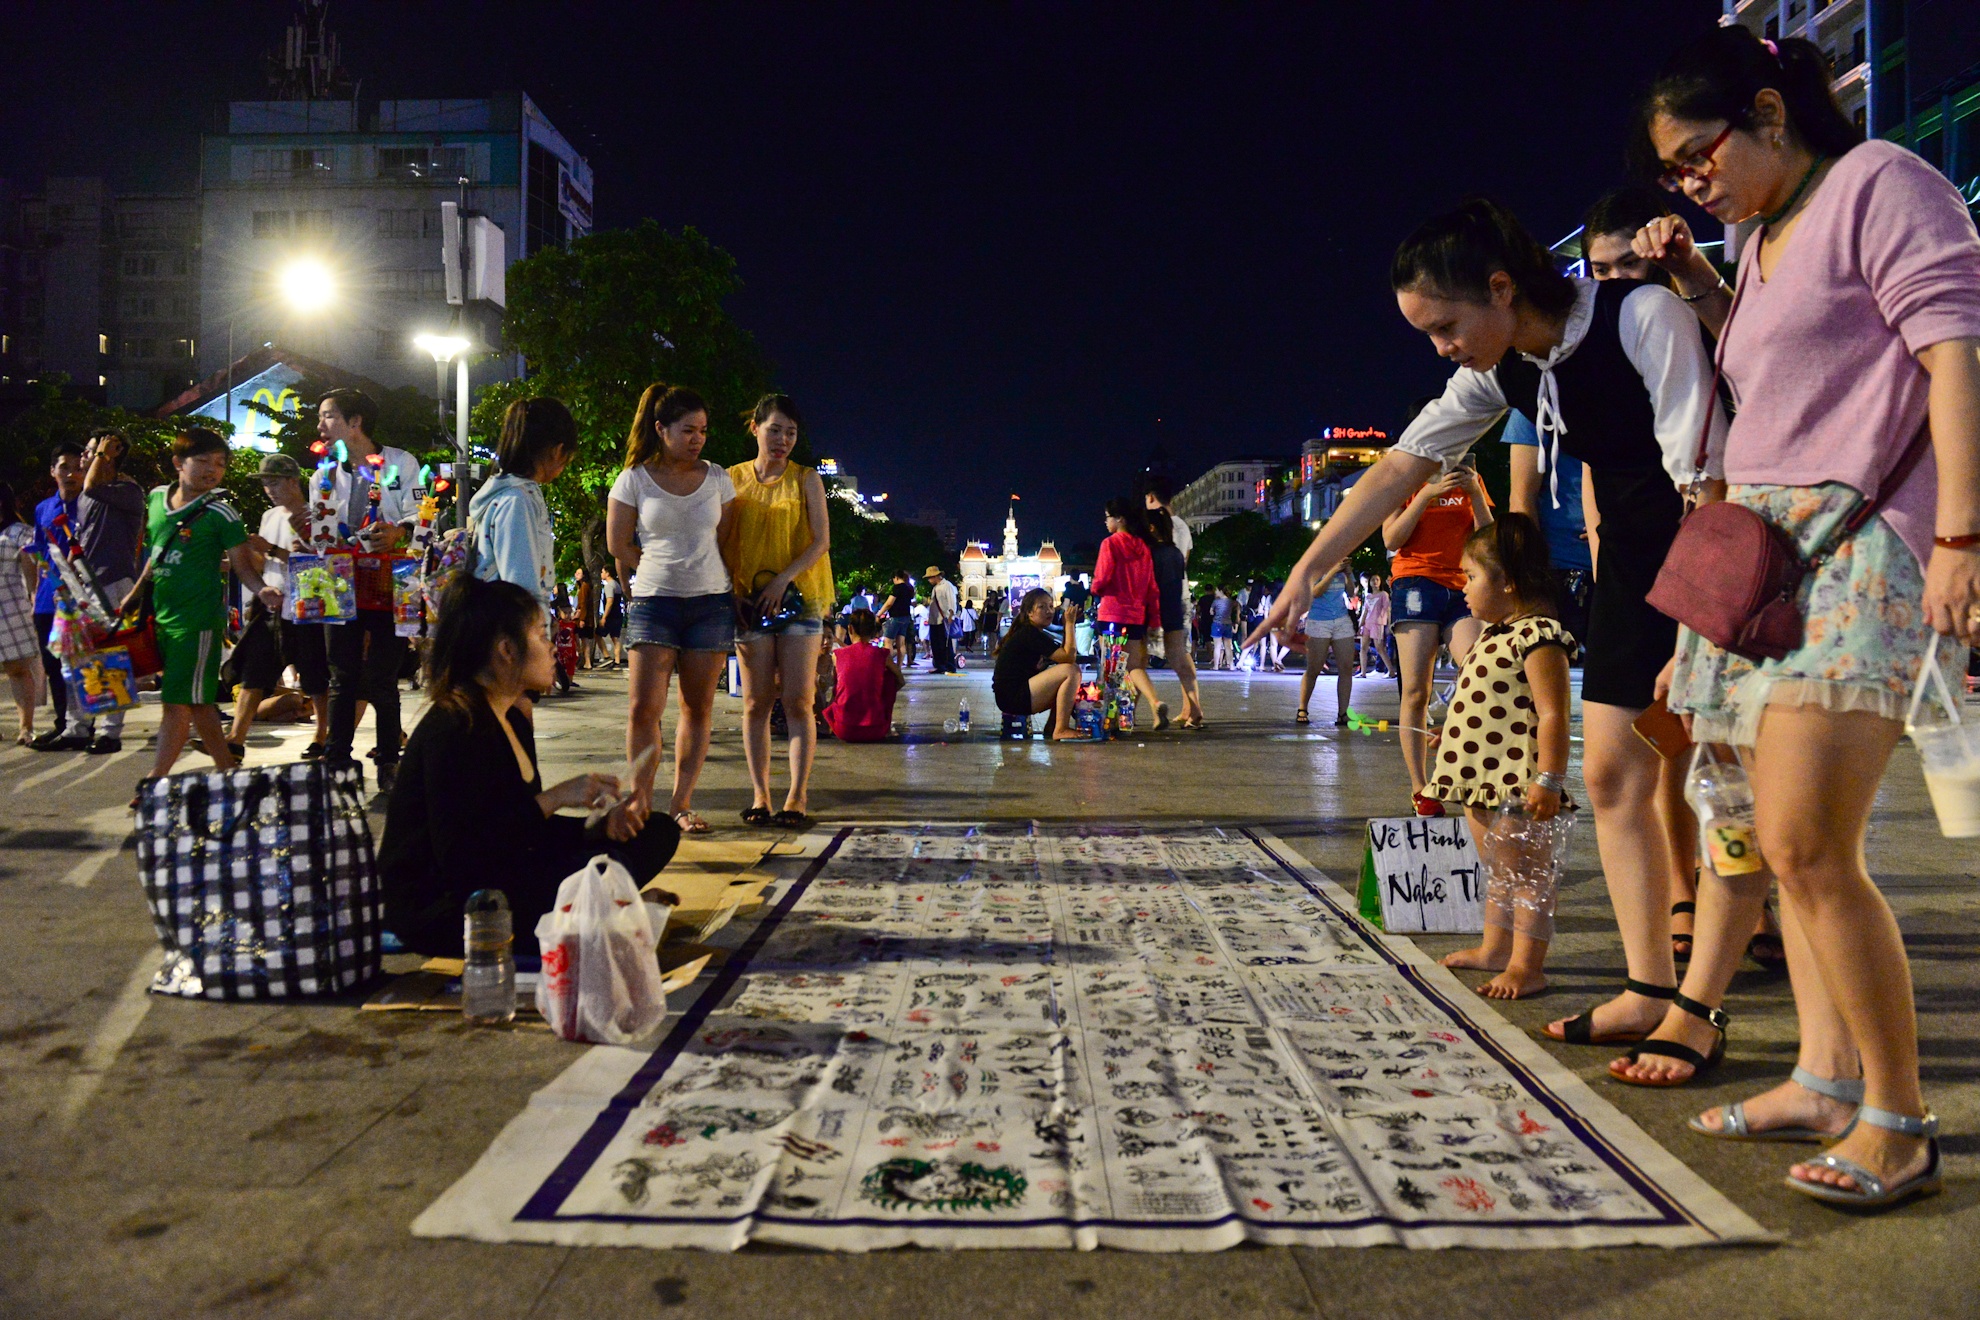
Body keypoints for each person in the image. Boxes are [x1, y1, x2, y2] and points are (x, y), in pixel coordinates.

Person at [1630, 24, 1980, 1208]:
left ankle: (1898, 1117)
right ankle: (1826, 1078)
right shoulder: (1763, 235)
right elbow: (1792, 369)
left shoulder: (1884, 181)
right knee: (1790, 843)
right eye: (1676, 170)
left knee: (1803, 842)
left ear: (1773, 113)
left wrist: (1963, 538)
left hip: (1861, 547)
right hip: (1767, 552)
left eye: (1699, 153)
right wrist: (1699, 281)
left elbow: (1950, 354)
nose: (1693, 179)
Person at [1250, 196, 1727, 1063]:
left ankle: (1704, 1007)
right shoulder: (1501, 372)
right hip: (1627, 565)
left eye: (1445, 327)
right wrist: (1307, 570)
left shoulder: (1641, 315)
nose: (1441, 348)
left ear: (1502, 288)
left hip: (1713, 556)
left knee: (1735, 790)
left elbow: (1707, 476)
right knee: (1616, 776)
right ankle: (1647, 987)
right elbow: (1398, 468)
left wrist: (1699, 626)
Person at [378, 575, 681, 957]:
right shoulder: (455, 726)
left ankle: (601, 910)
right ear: (506, 649)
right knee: (602, 872)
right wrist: (554, 797)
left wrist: (598, 827)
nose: (553, 648)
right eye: (541, 635)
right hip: (447, 906)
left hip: (500, 874)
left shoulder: (512, 717)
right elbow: (463, 857)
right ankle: (605, 912)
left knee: (654, 832)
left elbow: (523, 834)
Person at [1433, 515, 1576, 1000]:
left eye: (1471, 576)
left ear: (1508, 582)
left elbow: (1553, 713)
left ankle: (1526, 965)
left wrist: (1551, 779)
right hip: (1478, 778)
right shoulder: (1493, 633)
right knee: (1498, 871)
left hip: (1517, 783)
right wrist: (1453, 736)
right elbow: (1490, 705)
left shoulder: (1538, 635)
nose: (1463, 586)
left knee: (1526, 874)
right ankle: (1496, 949)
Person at [608, 384, 737, 836]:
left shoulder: (719, 478)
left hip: (710, 603)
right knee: (644, 708)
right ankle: (640, 802)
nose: (697, 439)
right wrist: (650, 568)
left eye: (702, 430)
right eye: (687, 430)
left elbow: (728, 542)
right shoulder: (634, 479)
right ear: (661, 429)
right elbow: (617, 542)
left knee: (696, 708)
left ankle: (681, 803)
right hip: (653, 603)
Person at [139, 428, 283, 784]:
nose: (212, 470)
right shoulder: (156, 499)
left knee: (177, 703)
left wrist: (261, 590)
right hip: (162, 616)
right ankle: (228, 771)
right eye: (203, 461)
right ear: (178, 463)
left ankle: (156, 779)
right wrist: (134, 594)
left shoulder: (222, 513)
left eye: (219, 464)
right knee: (199, 705)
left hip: (199, 622)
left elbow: (241, 563)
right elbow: (156, 553)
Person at [726, 393, 834, 828]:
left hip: (800, 598)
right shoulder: (730, 478)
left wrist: (782, 578)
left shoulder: (806, 479)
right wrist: (729, 592)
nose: (783, 440)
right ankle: (760, 794)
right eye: (775, 430)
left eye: (791, 432)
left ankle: (796, 795)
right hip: (747, 601)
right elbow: (719, 541)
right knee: (754, 702)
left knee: (798, 700)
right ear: (754, 427)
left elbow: (821, 541)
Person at [317, 387, 421, 794]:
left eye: (328, 416)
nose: (321, 426)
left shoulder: (401, 463)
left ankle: (389, 764)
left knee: (382, 677)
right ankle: (337, 761)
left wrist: (398, 531)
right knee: (341, 675)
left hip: (394, 579)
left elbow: (423, 515)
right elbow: (321, 528)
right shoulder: (324, 472)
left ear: (355, 422)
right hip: (339, 578)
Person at [1386, 453, 1493, 812]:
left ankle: (1467, 768)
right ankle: (1421, 787)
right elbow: (1392, 537)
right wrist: (1426, 494)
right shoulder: (1402, 478)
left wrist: (1475, 491)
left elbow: (1489, 539)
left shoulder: (1469, 477)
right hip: (1415, 582)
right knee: (1416, 690)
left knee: (1481, 670)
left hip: (1463, 586)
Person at [226, 454, 330, 758]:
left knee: (314, 677)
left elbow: (320, 564)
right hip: (272, 607)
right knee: (253, 674)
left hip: (307, 607)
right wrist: (248, 551)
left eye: (274, 482)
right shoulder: (270, 517)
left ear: (292, 481)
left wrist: (270, 548)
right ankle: (235, 739)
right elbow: (264, 563)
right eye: (265, 484)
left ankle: (322, 736)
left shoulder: (316, 516)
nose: (269, 489)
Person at [472, 396, 577, 633]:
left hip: (497, 629)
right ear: (558, 451)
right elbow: (521, 587)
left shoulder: (506, 494)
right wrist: (537, 639)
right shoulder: (517, 501)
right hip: (509, 637)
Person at [71, 429, 145, 752]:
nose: (85, 458)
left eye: (92, 451)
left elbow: (91, 483)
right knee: (83, 658)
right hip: (87, 583)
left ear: (111, 454)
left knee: (113, 660)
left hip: (115, 583)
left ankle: (110, 733)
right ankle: (80, 726)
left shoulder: (127, 490)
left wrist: (103, 455)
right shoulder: (89, 494)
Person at [26, 442, 85, 751]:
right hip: (50, 598)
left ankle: (85, 726)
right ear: (53, 471)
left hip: (82, 599)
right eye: (65, 467)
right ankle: (63, 724)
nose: (71, 473)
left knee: (82, 664)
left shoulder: (91, 504)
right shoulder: (43, 509)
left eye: (78, 467)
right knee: (53, 665)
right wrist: (36, 594)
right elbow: (39, 553)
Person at [1090, 498, 1166, 727]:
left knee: (1111, 670)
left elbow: (1102, 579)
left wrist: (1095, 588)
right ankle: (1155, 703)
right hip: (1136, 617)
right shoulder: (1142, 547)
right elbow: (1152, 587)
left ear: (1119, 519)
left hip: (1112, 615)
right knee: (1134, 668)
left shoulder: (1110, 544)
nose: (1105, 522)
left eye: (1107, 517)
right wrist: (1154, 619)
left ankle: (1110, 720)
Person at [992, 587, 1081, 739]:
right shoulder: (1029, 633)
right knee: (1071, 671)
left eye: (1051, 606)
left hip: (1011, 696)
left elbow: (1063, 655)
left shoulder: (1031, 631)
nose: (1049, 611)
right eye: (1042, 607)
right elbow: (1069, 658)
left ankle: (1053, 726)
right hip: (1013, 697)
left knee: (1064, 676)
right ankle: (1061, 729)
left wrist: (1067, 627)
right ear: (1029, 613)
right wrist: (1070, 624)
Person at [1145, 507, 1204, 728]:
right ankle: (1195, 708)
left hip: (1154, 611)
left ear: (1151, 528)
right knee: (1180, 660)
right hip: (1175, 609)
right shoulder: (1176, 553)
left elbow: (1149, 584)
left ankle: (1132, 714)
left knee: (1138, 663)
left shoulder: (1150, 553)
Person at [821, 608, 902, 741]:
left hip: (843, 729)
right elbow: (900, 680)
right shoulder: (882, 654)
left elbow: (837, 689)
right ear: (873, 631)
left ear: (850, 629)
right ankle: (885, 725)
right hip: (876, 730)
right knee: (889, 677)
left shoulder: (838, 655)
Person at [0, 483, 41, 745]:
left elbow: (34, 572)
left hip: (12, 610)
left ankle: (26, 727)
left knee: (17, 670)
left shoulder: (20, 533)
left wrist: (36, 600)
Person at [1294, 566, 1358, 727]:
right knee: (1314, 668)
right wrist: (1331, 571)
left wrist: (1348, 574)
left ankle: (1343, 713)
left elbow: (1351, 593)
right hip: (1318, 621)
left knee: (1346, 668)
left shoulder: (1343, 569)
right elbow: (1316, 592)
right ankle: (1303, 708)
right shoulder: (1315, 567)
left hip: (1342, 619)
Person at [924, 564, 959, 673]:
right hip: (934, 619)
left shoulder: (946, 585)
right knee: (936, 644)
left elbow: (952, 601)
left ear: (936, 576)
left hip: (943, 619)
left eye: (930, 577)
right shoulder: (936, 588)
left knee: (945, 644)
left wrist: (951, 615)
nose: (929, 580)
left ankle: (949, 666)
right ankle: (940, 665)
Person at [1357, 573, 1391, 676]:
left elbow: (1387, 609)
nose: (1375, 582)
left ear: (1380, 582)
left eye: (1377, 579)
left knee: (1379, 648)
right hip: (1367, 623)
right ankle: (1363, 672)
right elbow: (1365, 610)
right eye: (1373, 580)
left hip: (1378, 623)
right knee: (1363, 648)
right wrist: (1361, 624)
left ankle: (1390, 670)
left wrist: (1389, 625)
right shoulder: (1368, 596)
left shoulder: (1383, 594)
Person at [881, 570, 916, 668]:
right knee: (901, 643)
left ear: (896, 578)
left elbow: (889, 603)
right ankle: (899, 667)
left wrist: (879, 614)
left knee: (888, 642)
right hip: (906, 617)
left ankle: (889, 666)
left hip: (895, 617)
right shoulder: (909, 588)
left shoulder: (897, 588)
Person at [598, 563, 625, 668]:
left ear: (608, 573)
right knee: (615, 638)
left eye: (603, 572)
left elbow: (609, 601)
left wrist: (604, 617)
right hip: (618, 614)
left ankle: (607, 656)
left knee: (598, 634)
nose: (601, 574)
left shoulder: (609, 586)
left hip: (611, 615)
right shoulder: (617, 585)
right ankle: (617, 661)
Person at [1209, 586, 1235, 670]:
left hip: (1217, 624)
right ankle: (1231, 665)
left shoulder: (1216, 601)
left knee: (1217, 646)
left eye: (1216, 590)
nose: (1215, 592)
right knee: (1228, 646)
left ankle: (1216, 666)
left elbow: (1211, 612)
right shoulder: (1230, 602)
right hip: (1228, 624)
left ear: (1221, 591)